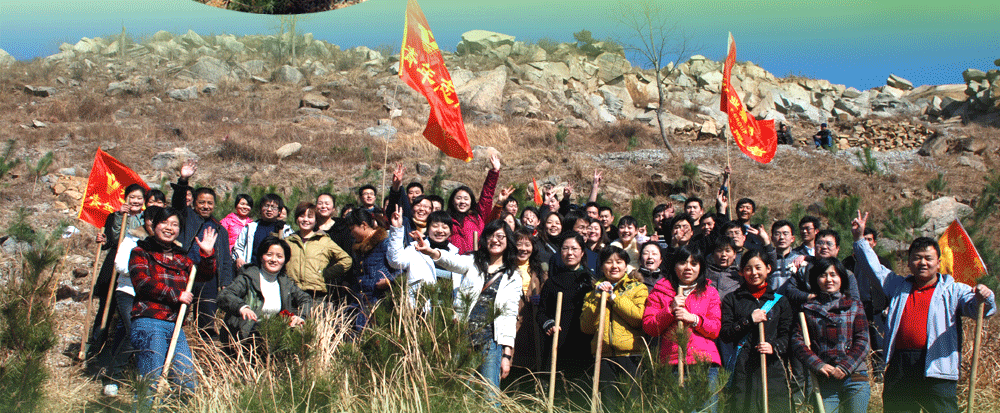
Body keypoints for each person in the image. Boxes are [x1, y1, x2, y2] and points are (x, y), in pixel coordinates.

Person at [851, 211, 995, 413]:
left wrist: (985, 296)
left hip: (937, 365)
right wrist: (859, 238)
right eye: (917, 258)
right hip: (901, 365)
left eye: (928, 258)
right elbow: (874, 268)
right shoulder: (897, 285)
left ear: (939, 263)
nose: (923, 263)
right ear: (909, 262)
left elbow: (981, 310)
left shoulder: (953, 290)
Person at [413, 220, 522, 392]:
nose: (495, 240)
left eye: (500, 236)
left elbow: (509, 315)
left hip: (491, 341)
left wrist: (507, 355)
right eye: (490, 236)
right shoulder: (473, 261)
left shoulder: (513, 275)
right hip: (463, 336)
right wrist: (431, 252)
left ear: (508, 240)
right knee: (460, 390)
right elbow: (452, 261)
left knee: (490, 393)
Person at [129, 207, 217, 395]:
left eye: (175, 224)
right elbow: (142, 283)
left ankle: (181, 407)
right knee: (151, 380)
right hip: (150, 320)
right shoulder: (141, 251)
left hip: (175, 324)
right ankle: (145, 408)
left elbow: (204, 275)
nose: (169, 228)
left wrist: (207, 254)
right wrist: (176, 295)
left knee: (186, 381)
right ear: (154, 226)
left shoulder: (181, 257)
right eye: (164, 223)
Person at [91, 205, 161, 397]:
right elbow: (120, 264)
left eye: (159, 221)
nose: (154, 225)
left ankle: (142, 377)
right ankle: (113, 378)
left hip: (150, 295)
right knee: (135, 332)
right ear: (145, 221)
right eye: (151, 220)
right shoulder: (132, 238)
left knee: (140, 334)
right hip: (128, 292)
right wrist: (142, 270)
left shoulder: (165, 244)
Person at [643, 246, 722, 410]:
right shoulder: (660, 291)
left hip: (705, 363)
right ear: (674, 266)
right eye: (683, 262)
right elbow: (649, 327)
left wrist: (693, 319)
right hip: (673, 362)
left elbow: (715, 328)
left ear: (701, 267)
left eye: (694, 263)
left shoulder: (710, 292)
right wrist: (669, 310)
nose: (688, 268)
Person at [791, 257, 871, 413]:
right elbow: (797, 342)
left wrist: (845, 367)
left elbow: (863, 340)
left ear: (842, 278)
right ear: (815, 279)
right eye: (823, 275)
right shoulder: (807, 309)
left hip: (855, 377)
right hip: (825, 379)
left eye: (833, 275)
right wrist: (818, 365)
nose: (829, 280)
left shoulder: (854, 305)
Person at [721, 248, 793, 413]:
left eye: (758, 267)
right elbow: (725, 334)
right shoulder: (732, 299)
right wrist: (749, 320)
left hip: (773, 370)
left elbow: (788, 335)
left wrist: (773, 346)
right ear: (741, 272)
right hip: (743, 369)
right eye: (748, 269)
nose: (754, 273)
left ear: (768, 269)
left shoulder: (780, 302)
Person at [171, 160, 235, 337]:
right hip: (184, 274)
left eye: (210, 203)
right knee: (177, 315)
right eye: (201, 202)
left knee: (207, 320)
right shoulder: (186, 217)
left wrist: (225, 282)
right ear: (194, 203)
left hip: (208, 278)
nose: (206, 206)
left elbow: (225, 259)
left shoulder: (220, 229)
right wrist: (183, 180)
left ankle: (205, 347)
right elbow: (177, 203)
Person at [581, 246, 648, 408]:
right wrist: (599, 300)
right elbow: (586, 327)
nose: (614, 266)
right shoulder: (592, 293)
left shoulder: (638, 288)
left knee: (633, 405)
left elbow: (638, 318)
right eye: (609, 262)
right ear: (601, 266)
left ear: (626, 265)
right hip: (603, 356)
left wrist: (613, 298)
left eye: (619, 262)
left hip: (631, 355)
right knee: (608, 405)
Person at [218, 237, 312, 345]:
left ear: (285, 260)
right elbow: (224, 295)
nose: (274, 260)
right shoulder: (247, 277)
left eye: (279, 256)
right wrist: (242, 308)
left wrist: (301, 316)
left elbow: (306, 299)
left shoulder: (285, 282)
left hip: (272, 337)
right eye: (269, 255)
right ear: (261, 257)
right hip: (243, 337)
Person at [537, 233, 595, 381]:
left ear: (582, 252)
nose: (570, 253)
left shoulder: (590, 281)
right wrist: (548, 324)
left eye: (574, 249)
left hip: (584, 343)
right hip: (558, 342)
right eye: (565, 248)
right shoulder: (552, 282)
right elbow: (541, 312)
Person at [387, 207, 458, 304]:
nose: (440, 230)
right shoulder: (415, 249)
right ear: (428, 229)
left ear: (450, 231)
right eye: (435, 226)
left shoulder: (455, 254)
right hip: (421, 308)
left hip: (447, 310)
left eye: (445, 227)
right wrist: (397, 230)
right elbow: (395, 261)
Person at [284, 202, 352, 301]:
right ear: (296, 219)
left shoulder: (324, 240)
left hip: (316, 295)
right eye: (302, 216)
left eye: (310, 217)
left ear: (316, 220)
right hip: (292, 293)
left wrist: (326, 274)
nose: (305, 220)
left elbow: (346, 260)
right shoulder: (288, 242)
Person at [345, 208, 398, 330]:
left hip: (380, 302)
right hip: (362, 303)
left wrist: (389, 281)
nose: (351, 233)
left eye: (352, 229)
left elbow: (401, 268)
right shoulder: (359, 248)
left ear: (363, 225)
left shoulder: (385, 243)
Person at [447, 153, 501, 254]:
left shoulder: (478, 217)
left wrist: (494, 172)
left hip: (477, 260)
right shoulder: (447, 220)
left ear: (471, 202)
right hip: (453, 261)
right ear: (452, 201)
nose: (462, 202)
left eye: (466, 198)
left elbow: (486, 196)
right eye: (458, 198)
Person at [512, 226, 547, 370]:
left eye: (527, 244)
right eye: (519, 244)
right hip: (511, 325)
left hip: (532, 326)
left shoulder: (539, 270)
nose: (523, 249)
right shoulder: (506, 268)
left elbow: (547, 295)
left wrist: (541, 299)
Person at [233, 193, 291, 268]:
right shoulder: (250, 228)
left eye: (273, 207)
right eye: (266, 206)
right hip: (252, 269)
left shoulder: (285, 230)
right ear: (261, 208)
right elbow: (238, 247)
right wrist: (239, 259)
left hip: (275, 270)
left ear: (279, 211)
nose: (269, 209)